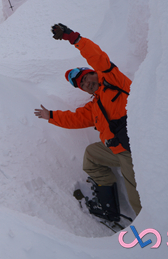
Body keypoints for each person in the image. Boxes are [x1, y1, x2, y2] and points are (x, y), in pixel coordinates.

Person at [34, 23, 141, 221]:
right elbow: (76, 119)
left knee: (137, 196)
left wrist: (74, 38)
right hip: (117, 149)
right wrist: (51, 116)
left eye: (86, 78)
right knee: (91, 155)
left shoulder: (113, 80)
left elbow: (98, 58)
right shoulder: (94, 106)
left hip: (133, 148)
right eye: (81, 85)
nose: (86, 84)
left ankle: (151, 231)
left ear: (94, 72)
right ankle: (109, 209)